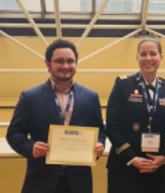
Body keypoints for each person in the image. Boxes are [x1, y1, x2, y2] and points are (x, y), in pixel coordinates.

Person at [6, 39, 106, 193]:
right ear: (48, 63)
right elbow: (14, 133)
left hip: (79, 182)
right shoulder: (30, 97)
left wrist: (99, 145)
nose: (65, 66)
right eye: (59, 61)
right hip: (41, 180)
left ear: (76, 63)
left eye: (70, 61)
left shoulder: (91, 97)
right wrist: (30, 147)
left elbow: (100, 131)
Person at [106, 37, 165, 193]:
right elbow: (112, 126)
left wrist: (164, 157)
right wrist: (132, 158)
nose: (148, 58)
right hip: (125, 166)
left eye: (153, 54)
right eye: (143, 54)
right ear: (137, 57)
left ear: (161, 57)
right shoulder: (123, 85)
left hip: (159, 167)